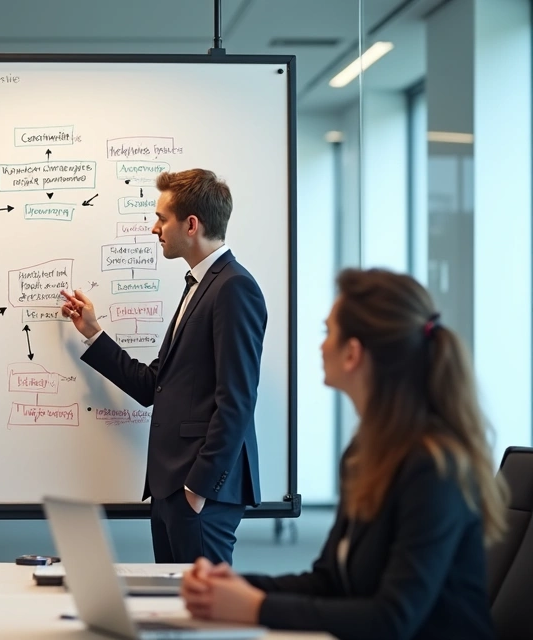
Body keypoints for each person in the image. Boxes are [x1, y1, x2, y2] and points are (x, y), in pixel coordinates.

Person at [181, 268, 508, 640]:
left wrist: (255, 607)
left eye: (328, 333)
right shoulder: (366, 453)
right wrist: (236, 585)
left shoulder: (434, 467)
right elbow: (331, 580)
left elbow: (392, 619)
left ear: (353, 353)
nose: (321, 346)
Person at [60, 168, 266, 564]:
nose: (155, 229)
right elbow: (155, 384)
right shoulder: (200, 286)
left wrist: (198, 490)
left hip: (199, 492)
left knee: (203, 619)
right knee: (176, 616)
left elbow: (237, 401)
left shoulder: (233, 287)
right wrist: (93, 332)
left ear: (191, 224)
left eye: (161, 218)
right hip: (172, 488)